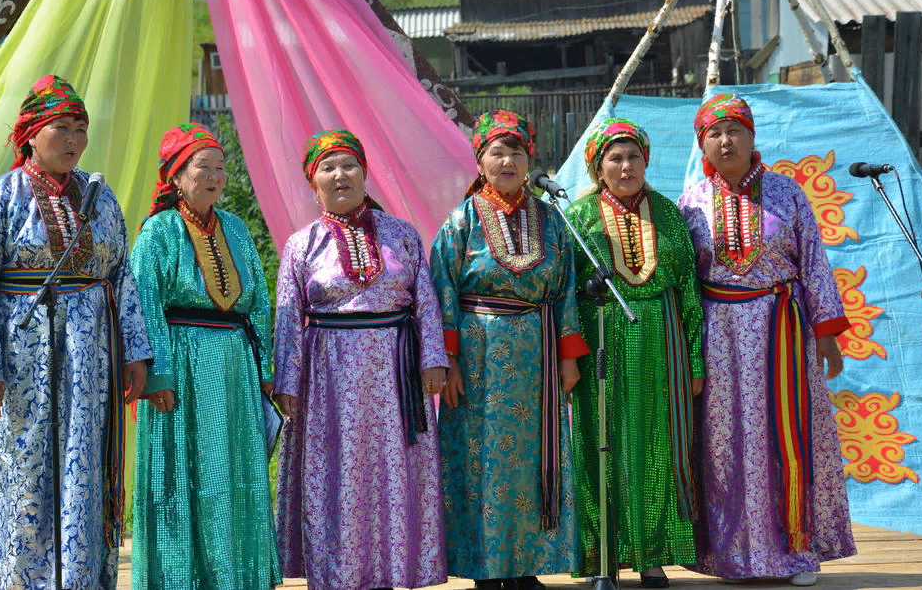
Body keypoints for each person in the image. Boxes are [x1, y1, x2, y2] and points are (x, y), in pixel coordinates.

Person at [0, 75, 151, 589]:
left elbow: (122, 276)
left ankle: (72, 579)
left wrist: (135, 354)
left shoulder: (100, 198)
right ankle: (6, 578)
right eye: (62, 128)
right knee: (20, 468)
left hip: (88, 362)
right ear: (31, 133)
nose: (74, 140)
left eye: (81, 129)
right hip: (18, 362)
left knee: (80, 465)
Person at [677, 94, 856, 586]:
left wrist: (826, 334)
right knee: (724, 444)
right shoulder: (689, 203)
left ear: (753, 137)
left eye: (735, 130)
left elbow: (814, 262)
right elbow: (684, 285)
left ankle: (796, 555)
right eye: (715, 133)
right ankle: (730, 556)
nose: (725, 140)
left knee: (787, 442)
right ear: (702, 143)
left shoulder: (787, 193)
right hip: (719, 339)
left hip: (782, 333)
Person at [273, 129, 448, 590]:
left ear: (366, 174)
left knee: (394, 471)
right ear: (313, 184)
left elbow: (425, 302)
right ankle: (339, 576)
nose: (339, 175)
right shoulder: (301, 244)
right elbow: (288, 319)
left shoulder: (401, 233)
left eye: (348, 165)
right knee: (339, 475)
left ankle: (393, 571)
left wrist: (433, 359)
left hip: (395, 374)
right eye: (327, 168)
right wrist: (286, 383)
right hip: (328, 379)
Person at [430, 110, 588, 590]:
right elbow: (442, 291)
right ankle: (485, 566)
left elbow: (565, 292)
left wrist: (567, 357)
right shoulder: (462, 221)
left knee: (530, 463)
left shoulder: (552, 221)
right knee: (481, 461)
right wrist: (449, 360)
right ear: (479, 161)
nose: (507, 160)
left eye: (516, 151)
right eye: (496, 151)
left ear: (530, 158)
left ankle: (523, 566)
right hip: (477, 361)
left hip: (536, 359)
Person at [129, 123, 282, 589]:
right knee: (180, 473)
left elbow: (257, 301)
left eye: (221, 167)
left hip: (234, 367)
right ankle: (178, 579)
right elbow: (144, 304)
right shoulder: (157, 231)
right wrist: (158, 375)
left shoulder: (234, 227)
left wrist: (266, 370)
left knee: (234, 471)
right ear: (177, 175)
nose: (215, 176)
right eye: (203, 167)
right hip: (182, 366)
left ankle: (234, 577)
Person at [566, 118, 705, 588]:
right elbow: (564, 292)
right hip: (598, 337)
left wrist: (696, 360)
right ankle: (598, 554)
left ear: (647, 160)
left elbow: (688, 291)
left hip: (660, 342)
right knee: (596, 441)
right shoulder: (578, 217)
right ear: (598, 168)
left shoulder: (668, 214)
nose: (626, 167)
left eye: (634, 157)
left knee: (654, 445)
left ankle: (650, 553)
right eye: (615, 158)